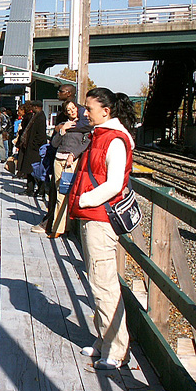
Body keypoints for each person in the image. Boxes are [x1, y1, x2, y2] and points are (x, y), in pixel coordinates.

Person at [68, 87, 137, 370]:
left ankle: (117, 349)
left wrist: (84, 199)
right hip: (92, 217)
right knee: (97, 282)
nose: (85, 112)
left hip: (100, 218)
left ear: (105, 112)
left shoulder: (115, 140)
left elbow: (114, 183)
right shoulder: (101, 136)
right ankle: (104, 340)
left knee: (104, 285)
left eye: (89, 108)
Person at [31, 100, 90, 236]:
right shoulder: (64, 125)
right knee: (60, 193)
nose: (71, 111)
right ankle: (63, 227)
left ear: (77, 108)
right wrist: (62, 130)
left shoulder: (83, 126)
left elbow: (86, 142)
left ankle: (57, 229)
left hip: (71, 162)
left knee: (64, 194)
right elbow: (54, 143)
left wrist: (74, 154)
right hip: (58, 159)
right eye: (68, 110)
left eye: (73, 108)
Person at [16, 100, 47, 195]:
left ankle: (38, 189)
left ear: (37, 107)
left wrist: (34, 145)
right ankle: (32, 189)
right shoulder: (36, 116)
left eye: (33, 107)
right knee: (31, 170)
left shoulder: (40, 117)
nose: (31, 109)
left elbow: (40, 135)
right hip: (31, 148)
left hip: (34, 149)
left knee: (34, 170)